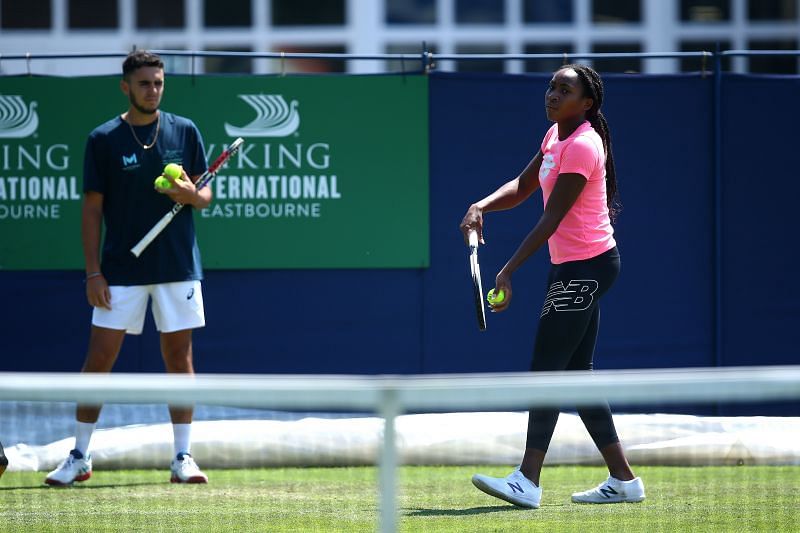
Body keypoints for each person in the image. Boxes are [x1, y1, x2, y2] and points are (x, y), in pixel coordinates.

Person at [460, 64, 644, 508]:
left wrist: (507, 270)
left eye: (565, 90)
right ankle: (623, 480)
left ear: (588, 103)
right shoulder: (555, 137)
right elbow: (524, 187)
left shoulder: (583, 145)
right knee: (577, 376)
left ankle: (527, 480)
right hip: (576, 267)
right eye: (551, 86)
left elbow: (551, 218)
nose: (553, 94)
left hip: (588, 267)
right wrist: (480, 205)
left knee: (546, 371)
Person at [45, 50, 212, 486]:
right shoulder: (103, 139)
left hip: (177, 266)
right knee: (99, 359)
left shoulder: (185, 130)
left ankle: (183, 457)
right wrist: (93, 271)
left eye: (158, 82)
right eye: (144, 83)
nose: (152, 90)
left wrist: (190, 197)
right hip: (120, 269)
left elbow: (206, 195)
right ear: (126, 86)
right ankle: (80, 455)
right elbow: (91, 210)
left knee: (180, 358)